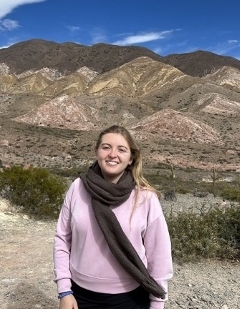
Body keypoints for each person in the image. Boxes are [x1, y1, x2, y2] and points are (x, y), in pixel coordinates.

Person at [53, 125, 173, 309]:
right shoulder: (78, 188)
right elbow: (62, 239)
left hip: (130, 299)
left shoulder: (145, 198)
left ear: (131, 158)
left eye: (121, 149)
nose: (112, 154)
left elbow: (159, 255)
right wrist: (64, 291)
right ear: (96, 152)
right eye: (106, 147)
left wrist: (157, 303)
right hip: (79, 296)